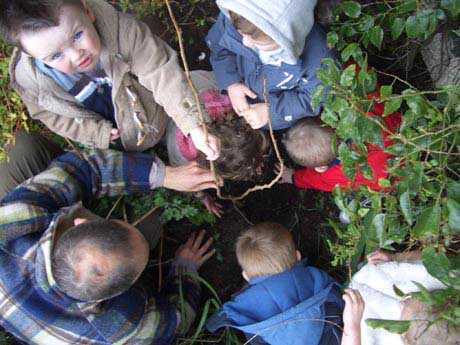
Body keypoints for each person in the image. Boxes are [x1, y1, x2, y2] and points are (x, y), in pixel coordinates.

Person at [0, 131, 217, 344]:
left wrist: (165, 175)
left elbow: (85, 168)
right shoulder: (122, 329)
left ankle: (61, 187)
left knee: (24, 146)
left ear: (79, 223)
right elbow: (177, 320)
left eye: (118, 224)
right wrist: (184, 269)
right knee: (152, 222)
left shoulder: (17, 219)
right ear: (122, 290)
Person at [0, 0, 219, 160]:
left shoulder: (123, 33)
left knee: (188, 102)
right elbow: (52, 116)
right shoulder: (32, 83)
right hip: (118, 134)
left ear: (88, 11)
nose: (77, 56)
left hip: (156, 111)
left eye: (77, 36)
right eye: (56, 56)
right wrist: (97, 134)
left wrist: (193, 124)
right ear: (31, 56)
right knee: (139, 150)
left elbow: (160, 71)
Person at [206, 222, 345, 345]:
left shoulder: (244, 310)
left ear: (246, 276)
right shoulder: (314, 277)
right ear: (297, 255)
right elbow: (339, 299)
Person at [205, 0, 335, 130]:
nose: (246, 43)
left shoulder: (320, 60)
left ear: (289, 38)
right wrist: (231, 83)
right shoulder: (239, 18)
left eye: (262, 44)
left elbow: (312, 98)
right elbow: (220, 49)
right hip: (245, 96)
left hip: (277, 116)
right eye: (241, 34)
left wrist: (271, 112)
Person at [279, 91, 402, 192]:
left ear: (321, 168)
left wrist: (293, 177)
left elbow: (314, 180)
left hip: (394, 179)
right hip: (406, 136)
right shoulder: (361, 114)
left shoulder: (335, 174)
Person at [350, 249, 459, 345]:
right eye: (415, 297)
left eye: (406, 306)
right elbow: (431, 257)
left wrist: (352, 326)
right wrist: (396, 257)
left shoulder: (376, 338)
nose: (403, 303)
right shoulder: (447, 281)